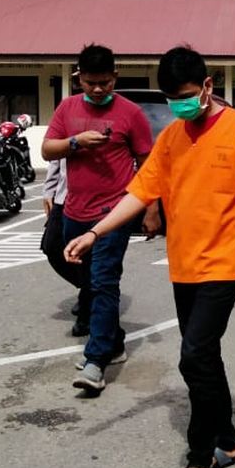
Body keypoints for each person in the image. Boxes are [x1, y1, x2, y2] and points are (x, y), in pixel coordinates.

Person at [65, 45, 235, 468]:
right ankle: (226, 439)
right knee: (203, 358)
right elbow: (139, 193)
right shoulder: (173, 138)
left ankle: (200, 462)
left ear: (207, 87)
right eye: (171, 98)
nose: (179, 105)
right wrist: (95, 232)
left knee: (194, 354)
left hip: (225, 262)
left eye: (185, 95)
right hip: (185, 264)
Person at [42, 44, 156, 393]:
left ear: (115, 78)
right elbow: (47, 149)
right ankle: (114, 340)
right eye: (90, 83)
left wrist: (150, 209)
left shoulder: (131, 113)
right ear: (79, 79)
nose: (97, 90)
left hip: (114, 212)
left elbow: (148, 163)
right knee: (84, 275)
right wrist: (74, 142)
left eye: (104, 83)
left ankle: (95, 362)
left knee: (105, 281)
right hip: (74, 210)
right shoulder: (67, 108)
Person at [40, 157, 90, 332]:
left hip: (95, 198)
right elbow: (54, 156)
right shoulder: (65, 129)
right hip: (63, 196)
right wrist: (49, 191)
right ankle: (88, 289)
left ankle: (88, 308)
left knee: (88, 255)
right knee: (51, 246)